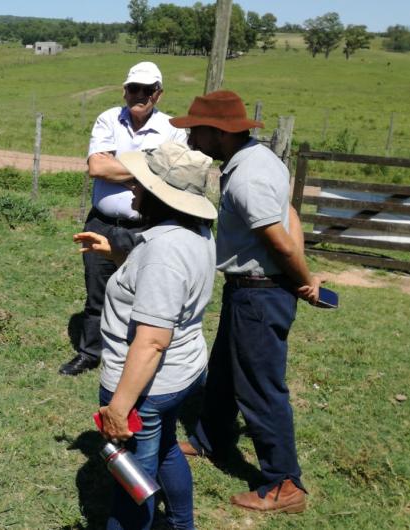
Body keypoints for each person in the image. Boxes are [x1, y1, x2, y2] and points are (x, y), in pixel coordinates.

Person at [170, 90, 320, 513]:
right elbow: (289, 212)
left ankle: (284, 482)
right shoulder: (261, 158)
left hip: (260, 291)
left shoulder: (248, 176)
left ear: (218, 133)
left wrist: (305, 278)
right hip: (253, 289)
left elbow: (277, 236)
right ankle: (210, 439)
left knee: (260, 387)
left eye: (196, 130)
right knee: (225, 372)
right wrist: (300, 269)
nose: (190, 137)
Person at [77, 142, 217, 530]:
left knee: (131, 484)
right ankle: (181, 524)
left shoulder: (163, 252)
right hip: (183, 373)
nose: (133, 189)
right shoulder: (195, 233)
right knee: (168, 447)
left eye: (141, 184)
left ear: (161, 195)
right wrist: (118, 255)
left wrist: (120, 407)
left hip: (145, 386)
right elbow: (161, 285)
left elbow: (152, 340)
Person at [60, 62, 187, 376]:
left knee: (145, 290)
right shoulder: (108, 118)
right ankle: (90, 353)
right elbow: (97, 168)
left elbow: (171, 175)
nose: (139, 95)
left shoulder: (173, 128)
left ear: (159, 93)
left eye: (147, 90)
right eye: (134, 89)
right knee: (96, 290)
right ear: (124, 90)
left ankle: (137, 352)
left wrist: (120, 165)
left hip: (147, 226)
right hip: (102, 222)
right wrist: (147, 168)